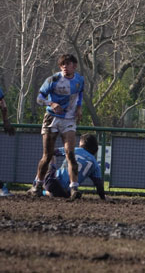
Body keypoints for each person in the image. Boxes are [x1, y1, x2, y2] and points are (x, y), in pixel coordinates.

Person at [28, 54, 84, 199]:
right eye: (63, 64)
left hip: (69, 119)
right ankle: (38, 185)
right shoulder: (53, 80)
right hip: (52, 118)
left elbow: (80, 95)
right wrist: (51, 104)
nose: (65, 67)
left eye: (68, 64)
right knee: (47, 156)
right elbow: (39, 98)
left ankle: (74, 188)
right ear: (60, 67)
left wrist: (79, 108)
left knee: (70, 153)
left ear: (74, 66)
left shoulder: (79, 80)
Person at [42, 134, 106, 200]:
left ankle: (40, 188)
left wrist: (52, 165)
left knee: (50, 154)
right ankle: (45, 191)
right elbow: (99, 185)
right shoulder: (95, 164)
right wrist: (103, 197)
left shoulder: (74, 150)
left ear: (82, 143)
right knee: (65, 195)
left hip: (53, 182)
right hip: (69, 190)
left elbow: (52, 151)